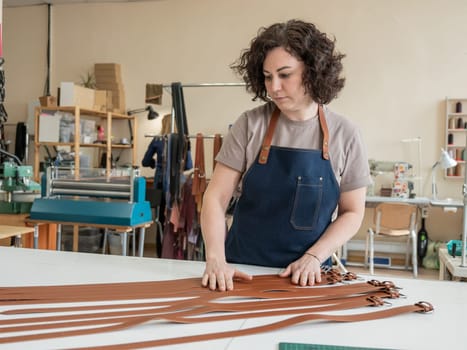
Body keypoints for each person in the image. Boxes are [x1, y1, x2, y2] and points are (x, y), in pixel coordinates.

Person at [200, 19, 371, 291]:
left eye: (284, 74)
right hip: (240, 273)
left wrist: (314, 257)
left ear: (313, 72)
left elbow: (352, 212)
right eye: (267, 77)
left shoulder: (345, 134)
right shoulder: (249, 125)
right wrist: (215, 258)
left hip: (307, 277)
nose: (273, 87)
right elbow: (215, 197)